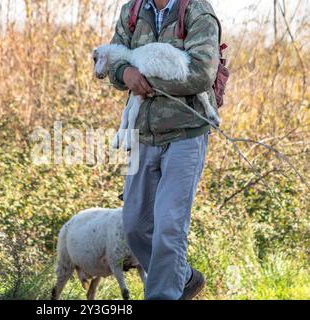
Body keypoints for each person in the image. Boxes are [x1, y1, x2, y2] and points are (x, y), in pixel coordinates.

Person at [108, 0, 220, 300]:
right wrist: (124, 75)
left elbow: (202, 72)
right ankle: (182, 278)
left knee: (169, 226)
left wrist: (146, 78)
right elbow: (114, 59)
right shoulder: (132, 11)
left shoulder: (197, 11)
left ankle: (162, 295)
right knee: (135, 227)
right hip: (143, 136)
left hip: (185, 134)